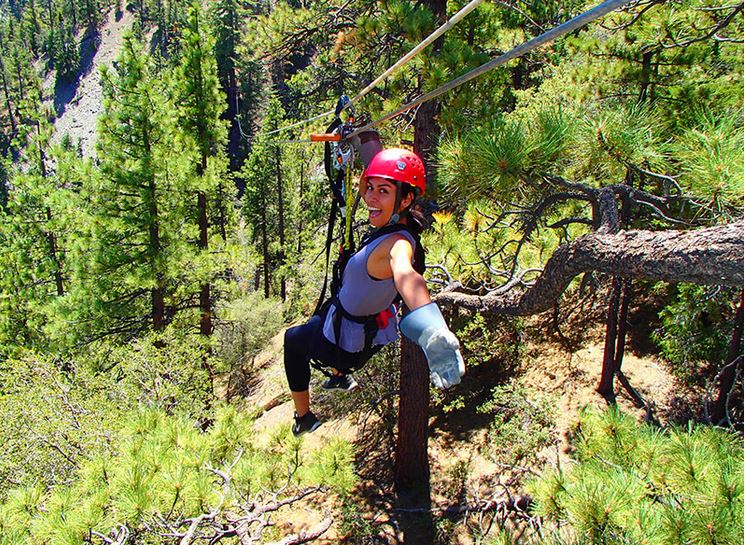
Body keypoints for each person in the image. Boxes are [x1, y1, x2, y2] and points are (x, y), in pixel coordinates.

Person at [284, 147, 465, 436]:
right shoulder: (395, 224)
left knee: (293, 339)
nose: (370, 197)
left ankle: (303, 417)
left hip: (344, 344)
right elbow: (371, 185)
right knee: (318, 318)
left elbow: (407, 275)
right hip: (354, 327)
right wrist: (355, 142)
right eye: (370, 188)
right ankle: (339, 376)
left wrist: (433, 330)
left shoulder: (398, 245)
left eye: (382, 191)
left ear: (405, 199)